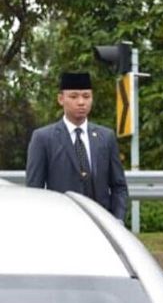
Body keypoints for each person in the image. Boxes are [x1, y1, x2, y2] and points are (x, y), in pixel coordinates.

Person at [25, 72, 128, 220]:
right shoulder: (43, 138)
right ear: (61, 99)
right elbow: (35, 190)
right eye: (74, 97)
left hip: (101, 223)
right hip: (61, 222)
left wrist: (117, 219)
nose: (81, 102)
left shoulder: (106, 137)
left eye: (86, 96)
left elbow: (119, 186)